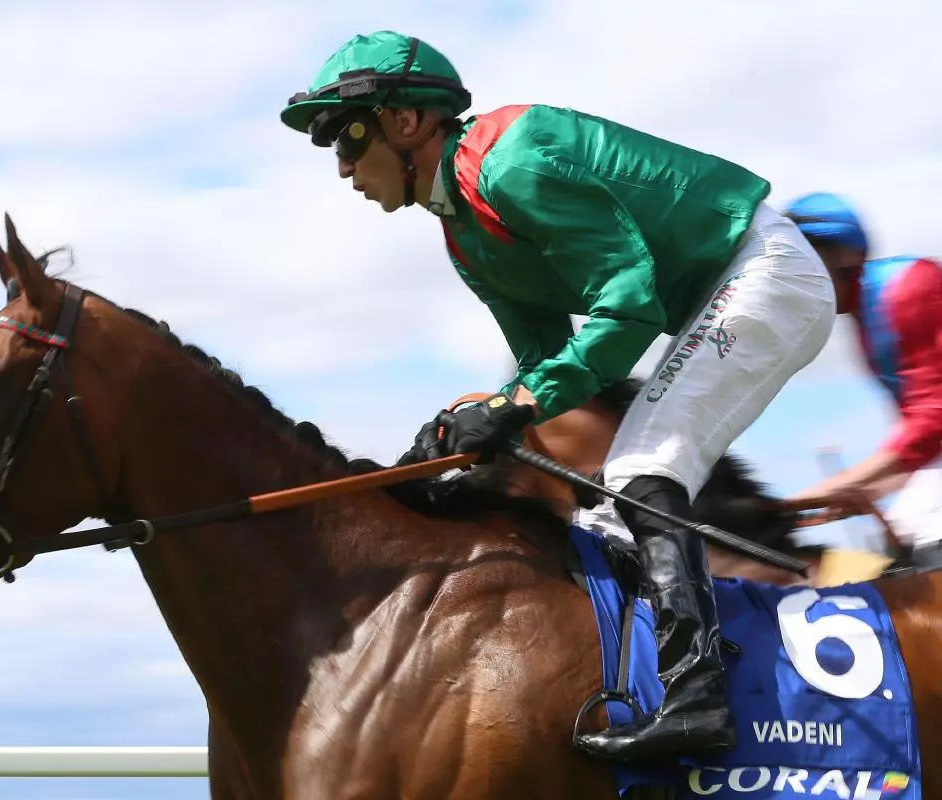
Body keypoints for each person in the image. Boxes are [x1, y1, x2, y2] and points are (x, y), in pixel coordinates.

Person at [280, 30, 836, 763]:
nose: (344, 165)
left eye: (348, 136)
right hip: (715, 295)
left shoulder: (512, 162)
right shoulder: (462, 231)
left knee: (644, 468)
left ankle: (699, 702)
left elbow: (628, 305)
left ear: (407, 122)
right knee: (611, 507)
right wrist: (469, 428)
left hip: (765, 272)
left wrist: (513, 408)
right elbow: (547, 365)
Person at [784, 192, 942, 568]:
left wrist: (841, 484)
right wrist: (861, 492)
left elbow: (933, 416)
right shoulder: (865, 316)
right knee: (902, 548)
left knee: (923, 537)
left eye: (803, 259)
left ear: (846, 257)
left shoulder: (907, 288)